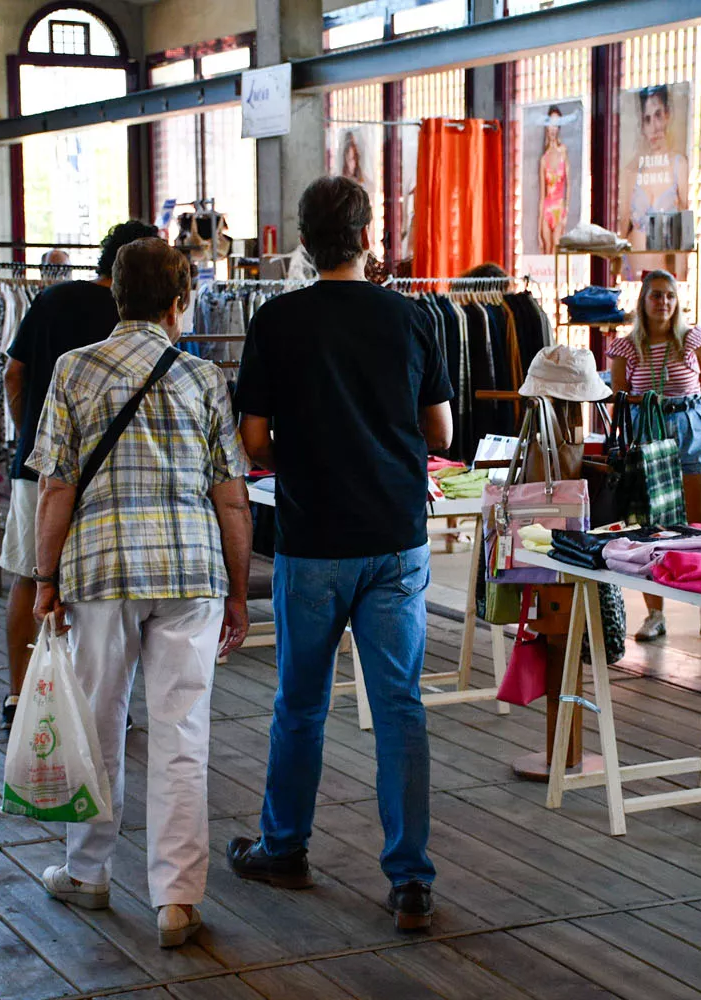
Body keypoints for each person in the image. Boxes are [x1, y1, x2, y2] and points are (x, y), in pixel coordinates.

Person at [227, 176, 454, 933]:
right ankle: (411, 881)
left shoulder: (278, 320)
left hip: (313, 535)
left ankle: (284, 847)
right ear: (368, 237)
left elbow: (253, 441)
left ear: (303, 240)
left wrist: (306, 447)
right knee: (400, 707)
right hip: (395, 537)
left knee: (301, 702)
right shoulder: (411, 318)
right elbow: (443, 434)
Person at [28, 236, 252, 950]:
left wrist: (44, 578)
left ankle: (87, 872)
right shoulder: (203, 379)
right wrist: (240, 592)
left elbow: (55, 487)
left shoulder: (73, 370)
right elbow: (233, 499)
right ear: (179, 301)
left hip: (99, 573)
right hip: (191, 572)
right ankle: (177, 901)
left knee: (98, 723)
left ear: (114, 296)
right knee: (182, 732)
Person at [0, 219, 158, 726]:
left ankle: (20, 695)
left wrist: (31, 431)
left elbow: (13, 372)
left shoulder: (51, 301)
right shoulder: (139, 318)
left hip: (40, 465)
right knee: (103, 588)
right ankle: (105, 703)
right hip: (113, 473)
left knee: (30, 574)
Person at [606, 270, 701, 639]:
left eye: (670, 295)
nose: (664, 303)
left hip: (690, 426)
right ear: (643, 300)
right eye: (656, 295)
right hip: (646, 432)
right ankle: (655, 613)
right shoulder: (627, 346)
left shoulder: (692, 339)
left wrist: (690, 415)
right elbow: (621, 398)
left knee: (698, 523)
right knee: (649, 523)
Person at [626, 85, 691, 253]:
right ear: (643, 126)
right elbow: (622, 231)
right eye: (647, 119)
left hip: (666, 271)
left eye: (658, 115)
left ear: (667, 115)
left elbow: (685, 232)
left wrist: (682, 273)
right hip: (631, 270)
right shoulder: (634, 170)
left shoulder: (679, 165)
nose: (654, 127)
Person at [538, 106, 569, 255]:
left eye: (556, 125)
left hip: (559, 207)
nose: (553, 129)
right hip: (547, 210)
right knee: (546, 250)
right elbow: (542, 196)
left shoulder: (563, 151)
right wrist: (538, 228)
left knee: (556, 248)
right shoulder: (544, 159)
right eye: (550, 124)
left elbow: (568, 185)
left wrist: (565, 213)